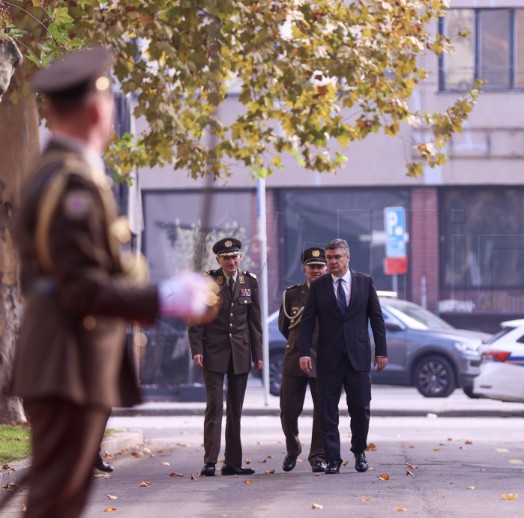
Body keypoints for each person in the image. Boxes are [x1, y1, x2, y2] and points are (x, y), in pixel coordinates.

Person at [11, 48, 212, 518]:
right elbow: (82, 287)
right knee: (56, 505)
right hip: (68, 360)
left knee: (57, 500)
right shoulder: (71, 183)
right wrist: (165, 296)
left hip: (68, 360)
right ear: (98, 109)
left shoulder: (61, 173)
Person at [298, 238, 388, 474]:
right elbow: (306, 323)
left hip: (358, 357)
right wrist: (304, 353)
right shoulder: (319, 287)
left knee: (360, 408)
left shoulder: (365, 282)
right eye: (329, 258)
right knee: (327, 410)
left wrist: (381, 351)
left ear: (347, 258)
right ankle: (333, 459)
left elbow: (377, 319)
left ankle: (359, 451)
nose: (333, 262)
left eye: (337, 257)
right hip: (328, 358)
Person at [189, 237, 263, 477]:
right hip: (213, 352)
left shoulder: (249, 282)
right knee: (214, 407)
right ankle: (210, 460)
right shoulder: (208, 281)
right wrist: (197, 349)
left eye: (235, 257)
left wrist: (258, 354)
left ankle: (232, 462)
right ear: (218, 260)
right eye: (226, 258)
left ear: (240, 257)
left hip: (240, 352)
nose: (231, 261)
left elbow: (255, 322)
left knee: (235, 410)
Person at [278, 246, 328, 473]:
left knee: (322, 410)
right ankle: (292, 446)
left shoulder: (333, 292)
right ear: (304, 269)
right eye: (311, 267)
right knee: (288, 409)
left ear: (326, 269)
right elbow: (284, 326)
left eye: (319, 266)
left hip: (324, 357)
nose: (316, 270)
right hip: (296, 356)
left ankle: (318, 455)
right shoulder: (292, 294)